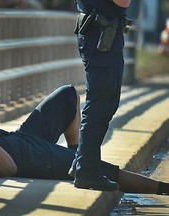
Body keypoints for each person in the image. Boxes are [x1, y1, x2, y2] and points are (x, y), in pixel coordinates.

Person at [0, 85, 169, 196]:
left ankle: (76, 155)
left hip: (24, 137)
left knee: (67, 94)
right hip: (35, 159)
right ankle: (163, 190)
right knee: (101, 169)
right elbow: (6, 168)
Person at [68, 0, 133, 191]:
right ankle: (86, 171)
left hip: (103, 33)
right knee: (101, 102)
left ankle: (83, 162)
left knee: (105, 102)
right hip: (101, 35)